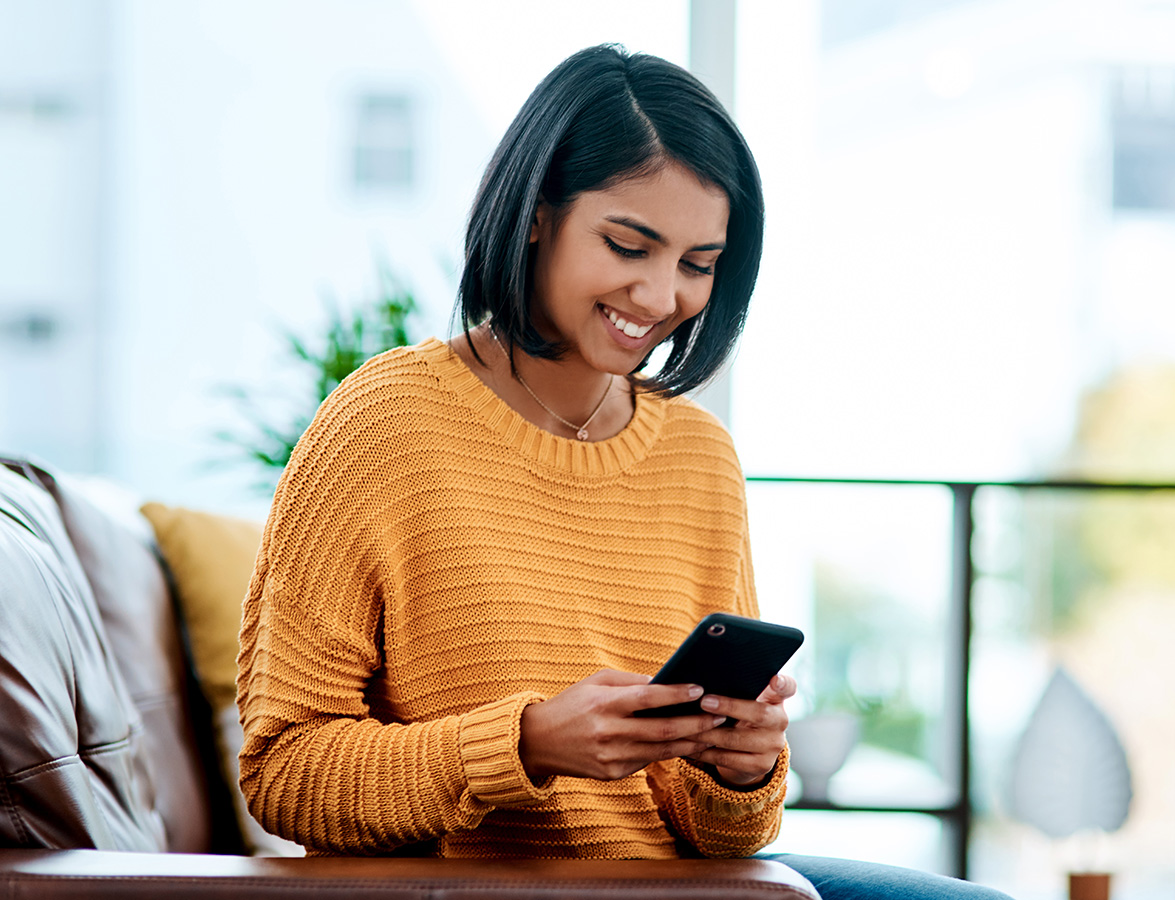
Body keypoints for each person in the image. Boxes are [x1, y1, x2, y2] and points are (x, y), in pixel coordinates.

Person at [236, 44, 1013, 900]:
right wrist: (527, 744)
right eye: (628, 244)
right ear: (536, 212)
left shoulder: (698, 456)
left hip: (674, 888)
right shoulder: (379, 427)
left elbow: (728, 839)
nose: (657, 296)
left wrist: (741, 769)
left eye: (697, 264)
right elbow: (285, 775)